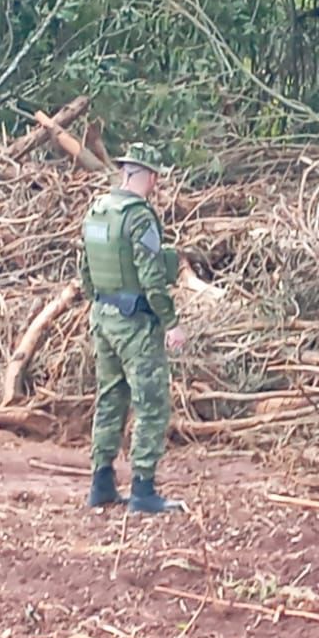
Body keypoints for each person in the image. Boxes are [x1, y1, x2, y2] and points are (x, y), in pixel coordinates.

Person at [77, 142, 188, 513]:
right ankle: (142, 491)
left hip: (102, 317)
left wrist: (101, 302)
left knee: (110, 398)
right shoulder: (139, 217)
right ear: (151, 176)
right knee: (152, 403)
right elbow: (153, 279)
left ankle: (101, 484)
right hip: (134, 322)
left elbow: (85, 273)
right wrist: (170, 322)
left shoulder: (97, 210)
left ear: (125, 171)